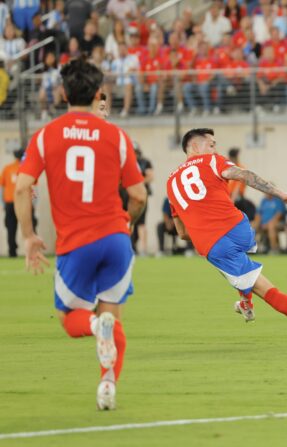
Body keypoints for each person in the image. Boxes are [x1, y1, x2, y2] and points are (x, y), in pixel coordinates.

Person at [14, 59, 147, 410]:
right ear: (98, 94)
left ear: (62, 93)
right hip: (116, 239)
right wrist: (127, 223)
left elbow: (22, 186)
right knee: (112, 317)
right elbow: (139, 196)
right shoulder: (116, 136)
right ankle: (108, 384)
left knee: (72, 319)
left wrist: (28, 236)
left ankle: (93, 326)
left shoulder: (46, 135)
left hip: (77, 243)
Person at [167, 128, 287, 343]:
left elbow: (182, 233)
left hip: (215, 245)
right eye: (211, 145)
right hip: (240, 227)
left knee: (264, 289)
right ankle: (245, 301)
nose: (215, 149)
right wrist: (280, 193)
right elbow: (244, 175)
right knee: (239, 264)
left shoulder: (171, 184)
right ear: (193, 146)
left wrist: (204, 232)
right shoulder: (212, 162)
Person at [131, 145, 153, 255]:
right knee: (128, 222)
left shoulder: (145, 162)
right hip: (128, 195)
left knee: (141, 223)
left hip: (141, 194)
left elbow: (150, 176)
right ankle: (131, 248)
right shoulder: (127, 162)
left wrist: (137, 183)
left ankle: (143, 249)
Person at [1, 148, 23, 257]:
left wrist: (3, 203)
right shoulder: (26, 168)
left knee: (11, 228)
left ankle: (12, 252)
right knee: (30, 227)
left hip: (9, 202)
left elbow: (2, 188)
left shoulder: (7, 168)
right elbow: (34, 189)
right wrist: (33, 204)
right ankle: (34, 251)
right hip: (23, 203)